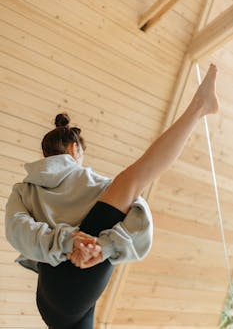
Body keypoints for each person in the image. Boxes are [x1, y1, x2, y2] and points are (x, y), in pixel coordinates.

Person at [5, 64, 219, 329]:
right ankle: (198, 107)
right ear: (75, 150)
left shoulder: (24, 189)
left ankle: (200, 105)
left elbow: (17, 230)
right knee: (132, 181)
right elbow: (139, 224)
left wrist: (61, 241)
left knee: (132, 181)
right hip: (65, 293)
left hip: (53, 289)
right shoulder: (98, 186)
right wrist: (97, 245)